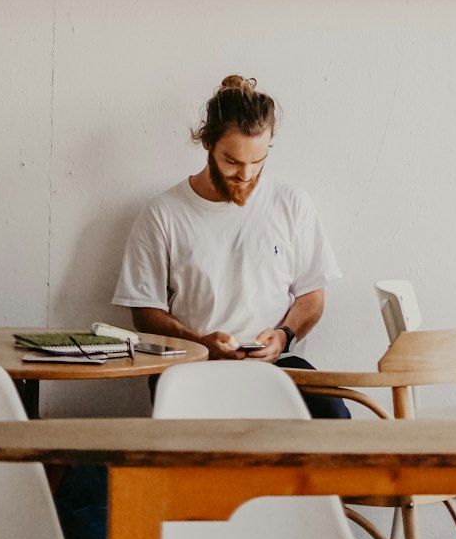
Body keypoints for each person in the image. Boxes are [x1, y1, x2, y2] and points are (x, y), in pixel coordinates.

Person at [113, 74, 349, 416]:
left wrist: (283, 335)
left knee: (334, 417)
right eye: (232, 162)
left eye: (258, 162)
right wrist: (200, 343)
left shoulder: (292, 204)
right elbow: (145, 311)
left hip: (279, 364)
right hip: (192, 365)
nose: (246, 175)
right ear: (207, 144)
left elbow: (312, 296)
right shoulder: (163, 214)